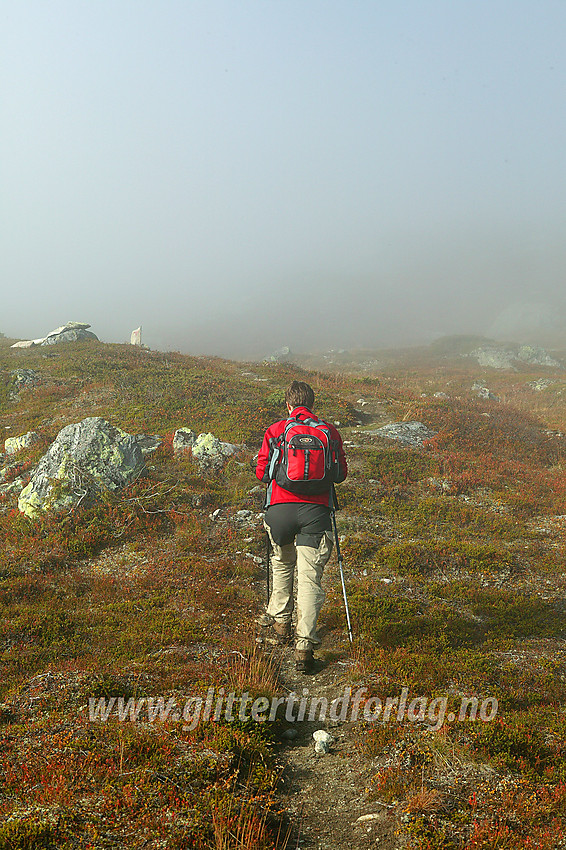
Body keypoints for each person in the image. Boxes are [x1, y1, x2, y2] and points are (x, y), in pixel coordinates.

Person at [255, 380, 347, 673]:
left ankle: (281, 624)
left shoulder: (276, 430)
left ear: (288, 404)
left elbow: (261, 473)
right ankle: (304, 648)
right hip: (316, 514)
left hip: (280, 511)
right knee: (309, 578)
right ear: (312, 404)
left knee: (282, 562)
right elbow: (340, 475)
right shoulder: (329, 432)